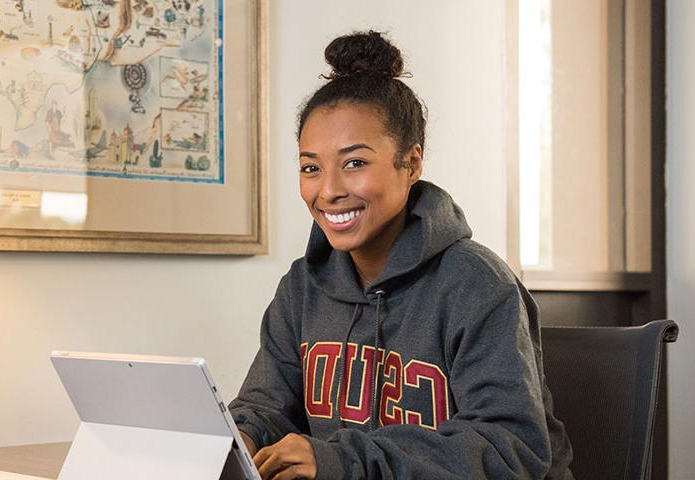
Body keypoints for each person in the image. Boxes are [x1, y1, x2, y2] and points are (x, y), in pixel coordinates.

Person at [229, 30, 574, 480]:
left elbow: (509, 447)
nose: (329, 190)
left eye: (355, 163)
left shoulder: (477, 285)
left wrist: (345, 462)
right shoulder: (302, 287)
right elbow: (265, 406)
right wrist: (237, 440)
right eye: (311, 167)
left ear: (411, 163)